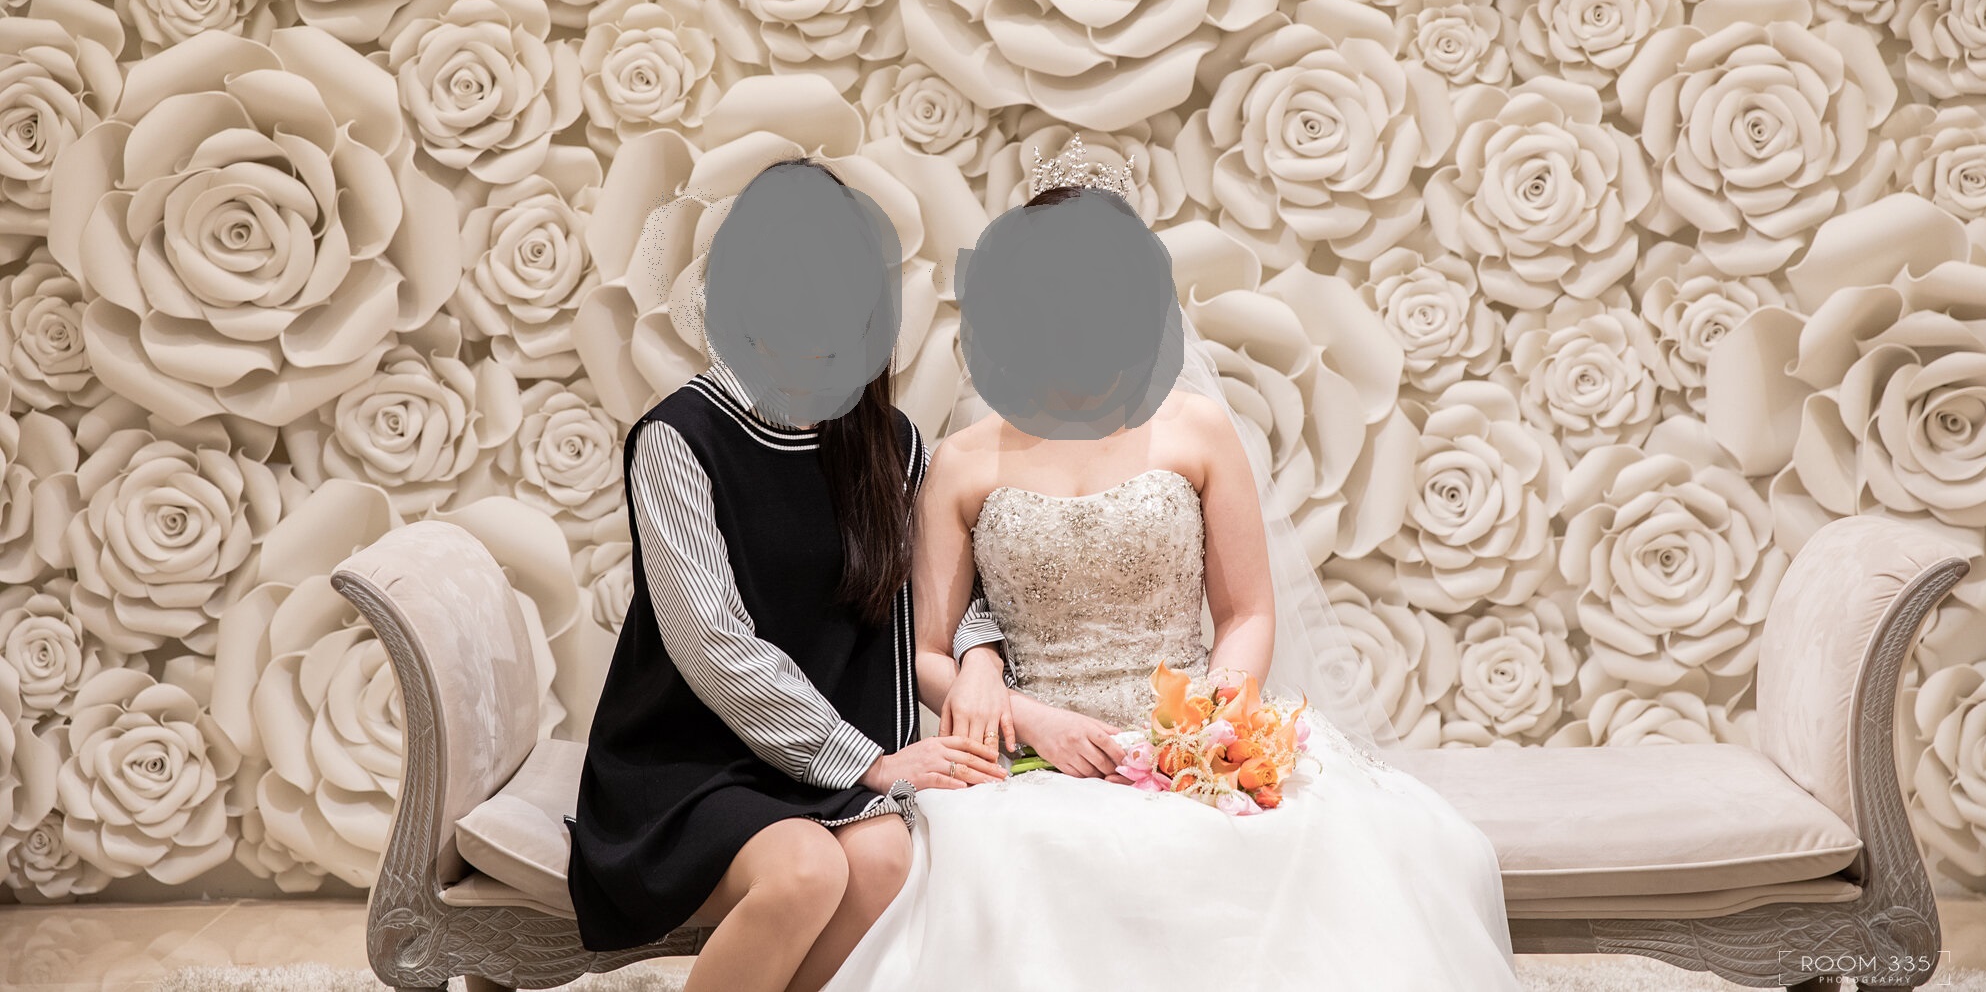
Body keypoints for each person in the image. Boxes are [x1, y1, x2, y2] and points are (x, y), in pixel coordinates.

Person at [816, 145, 1523, 991]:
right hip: (1030, 758)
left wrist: (1209, 728)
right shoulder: (963, 462)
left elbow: (1246, 612)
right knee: (1012, 860)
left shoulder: (1195, 430)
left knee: (1329, 854)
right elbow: (929, 652)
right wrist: (1028, 718)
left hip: (1184, 739)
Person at [564, 158, 1006, 992]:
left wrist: (979, 657)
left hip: (822, 761)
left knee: (882, 859)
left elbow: (951, 589)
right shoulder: (679, 437)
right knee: (807, 870)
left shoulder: (890, 443)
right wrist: (866, 762)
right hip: (689, 761)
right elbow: (713, 646)